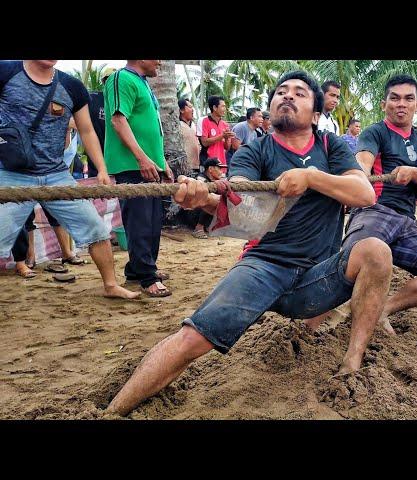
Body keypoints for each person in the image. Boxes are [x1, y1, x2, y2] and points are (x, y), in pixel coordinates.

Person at [106, 70, 394, 417]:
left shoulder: (330, 148)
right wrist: (203, 199)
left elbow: (364, 194)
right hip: (264, 266)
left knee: (376, 250)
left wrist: (311, 177)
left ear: (317, 114)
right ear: (271, 106)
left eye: (300, 93)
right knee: (194, 337)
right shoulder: (254, 151)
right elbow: (244, 207)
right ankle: (110, 411)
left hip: (317, 279)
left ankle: (351, 363)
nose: (287, 96)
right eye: (281, 91)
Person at [324, 74, 417, 335]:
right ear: (383, 103)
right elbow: (362, 162)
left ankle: (382, 309)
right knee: (349, 266)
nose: (401, 104)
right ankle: (320, 317)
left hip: (406, 223)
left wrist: (413, 172)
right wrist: (357, 175)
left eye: (409, 98)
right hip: (373, 212)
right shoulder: (374, 132)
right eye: (394, 98)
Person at [0, 60, 139, 299]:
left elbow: (86, 130)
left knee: (96, 229)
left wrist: (102, 169)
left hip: (57, 174)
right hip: (12, 173)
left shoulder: (71, 86)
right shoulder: (5, 72)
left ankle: (111, 285)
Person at [103, 60, 174, 297]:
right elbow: (118, 120)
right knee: (140, 221)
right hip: (133, 166)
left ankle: (138, 269)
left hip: (150, 165)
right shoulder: (120, 78)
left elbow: (152, 129)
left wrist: (161, 162)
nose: (160, 62)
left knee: (153, 221)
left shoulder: (142, 83)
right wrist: (141, 158)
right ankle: (146, 277)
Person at [86, 67, 116, 177]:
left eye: (113, 80)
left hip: (117, 159)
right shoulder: (92, 98)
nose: (111, 83)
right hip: (96, 157)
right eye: (108, 79)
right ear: (103, 82)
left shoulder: (122, 102)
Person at [198, 96, 233, 176]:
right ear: (214, 107)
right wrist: (222, 136)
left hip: (221, 164)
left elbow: (227, 147)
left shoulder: (225, 124)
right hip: (207, 163)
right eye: (223, 106)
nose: (225, 109)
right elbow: (204, 142)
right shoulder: (204, 121)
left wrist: (227, 138)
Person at [191, 157, 225, 239]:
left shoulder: (212, 179)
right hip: (192, 213)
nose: (221, 172)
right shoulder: (201, 178)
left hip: (199, 211)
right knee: (210, 198)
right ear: (210, 169)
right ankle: (198, 228)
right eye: (219, 168)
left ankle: (208, 226)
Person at [178, 98, 200, 174]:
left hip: (196, 166)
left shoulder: (194, 125)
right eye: (190, 107)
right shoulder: (178, 126)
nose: (192, 110)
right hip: (184, 167)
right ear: (181, 110)